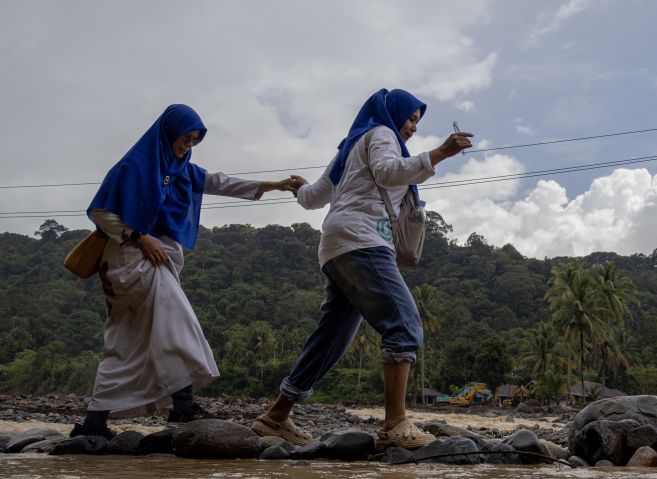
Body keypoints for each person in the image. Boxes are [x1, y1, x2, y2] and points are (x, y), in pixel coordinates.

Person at [251, 88, 472, 449]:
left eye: (417, 121)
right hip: (363, 241)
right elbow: (388, 172)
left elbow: (312, 198)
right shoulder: (382, 134)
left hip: (336, 246)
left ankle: (275, 417)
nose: (413, 127)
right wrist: (441, 153)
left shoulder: (350, 146)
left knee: (331, 339)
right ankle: (395, 424)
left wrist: (300, 188)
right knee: (403, 324)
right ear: (391, 113)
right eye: (410, 118)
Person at [71, 104, 293, 439]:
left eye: (193, 141)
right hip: (132, 260)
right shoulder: (134, 165)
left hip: (156, 260)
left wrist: (274, 185)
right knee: (178, 323)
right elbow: (100, 212)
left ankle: (95, 422)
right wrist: (141, 236)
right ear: (168, 132)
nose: (187, 145)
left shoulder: (184, 170)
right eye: (184, 138)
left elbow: (220, 182)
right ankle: (183, 403)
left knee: (125, 341)